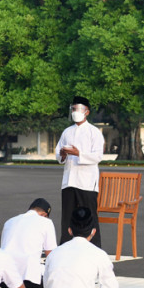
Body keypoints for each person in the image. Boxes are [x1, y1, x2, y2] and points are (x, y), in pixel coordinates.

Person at [42, 207, 133, 288]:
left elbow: (47, 287)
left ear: (70, 230)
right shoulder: (99, 253)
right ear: (93, 231)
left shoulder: (54, 252)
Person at [55, 96, 104, 247]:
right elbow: (58, 152)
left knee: (89, 215)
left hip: (86, 181)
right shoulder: (67, 132)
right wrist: (62, 155)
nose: (75, 112)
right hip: (69, 180)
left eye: (78, 109)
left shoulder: (93, 132)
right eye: (73, 109)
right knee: (67, 216)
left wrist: (79, 154)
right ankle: (65, 246)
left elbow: (98, 156)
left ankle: (94, 246)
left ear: (87, 112)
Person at [0, 198, 58, 288]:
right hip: (29, 279)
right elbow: (52, 256)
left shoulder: (9, 222)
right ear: (44, 215)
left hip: (4, 279)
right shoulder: (46, 222)